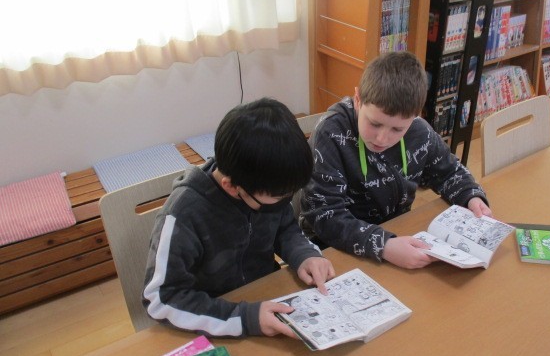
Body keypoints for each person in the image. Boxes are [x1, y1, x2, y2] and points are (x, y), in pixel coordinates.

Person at [143, 97, 335, 339]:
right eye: (279, 198)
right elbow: (161, 299)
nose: (285, 202)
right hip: (214, 321)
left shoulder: (265, 183)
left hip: (266, 299)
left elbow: (285, 228)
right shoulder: (183, 215)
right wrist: (244, 318)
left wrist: (304, 255)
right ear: (232, 186)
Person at [298, 51, 492, 269]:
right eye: (374, 124)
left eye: (397, 129)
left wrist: (471, 196)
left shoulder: (419, 132)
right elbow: (325, 216)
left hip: (396, 238)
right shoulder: (330, 134)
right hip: (332, 250)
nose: (382, 138)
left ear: (415, 116)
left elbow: (450, 172)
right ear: (358, 100)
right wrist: (384, 246)